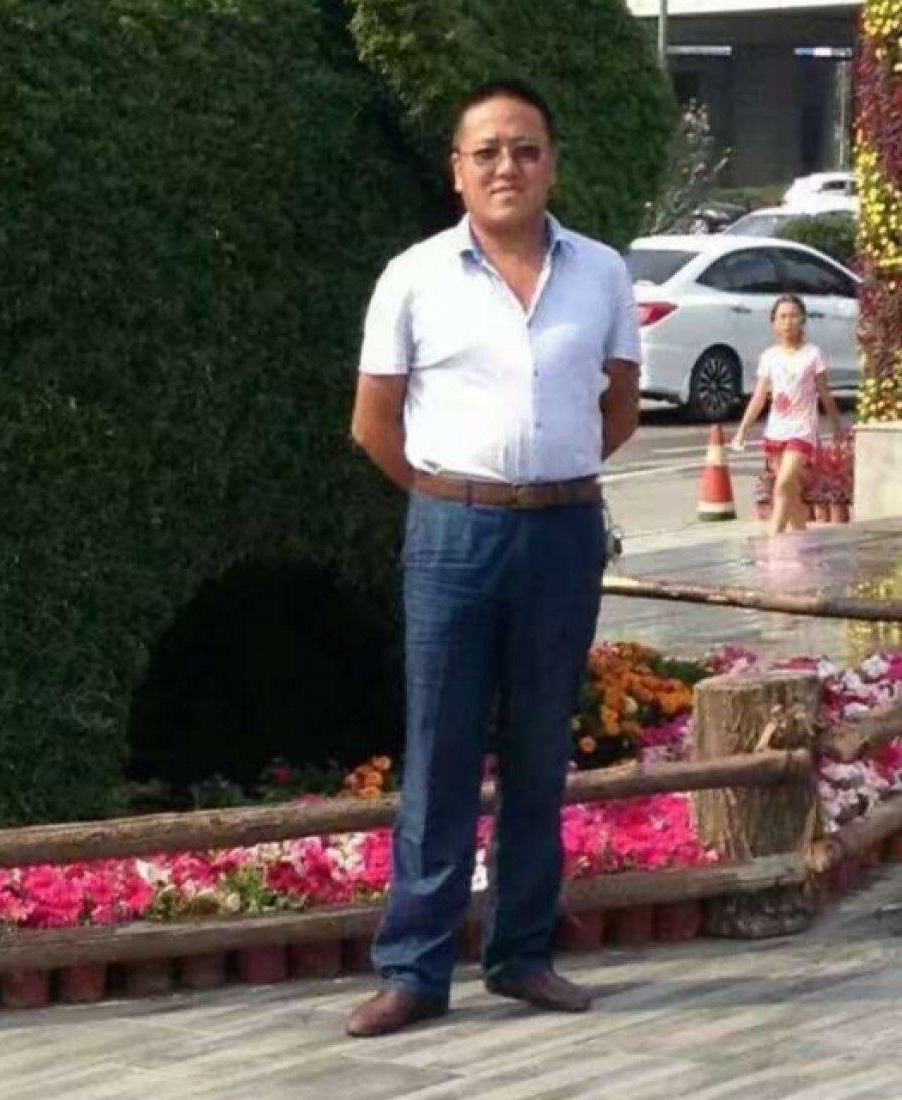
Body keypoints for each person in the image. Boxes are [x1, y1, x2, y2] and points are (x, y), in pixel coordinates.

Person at [346, 79, 641, 1039]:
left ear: (551, 163)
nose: (506, 166)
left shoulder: (600, 273)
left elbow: (620, 405)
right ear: (458, 172)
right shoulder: (414, 276)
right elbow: (373, 423)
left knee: (540, 748)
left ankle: (522, 956)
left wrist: (547, 480)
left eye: (525, 149)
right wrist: (452, 494)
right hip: (453, 535)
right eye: (487, 152)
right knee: (440, 748)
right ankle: (414, 970)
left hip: (563, 531)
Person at [731, 294, 843, 536]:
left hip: (802, 431)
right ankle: (802, 538)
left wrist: (836, 426)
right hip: (776, 431)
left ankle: (774, 539)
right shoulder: (769, 356)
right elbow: (759, 397)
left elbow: (824, 393)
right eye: (782, 317)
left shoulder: (812, 354)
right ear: (774, 322)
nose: (788, 322)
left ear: (802, 320)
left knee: (782, 485)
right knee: (790, 492)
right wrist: (742, 431)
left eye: (793, 316)